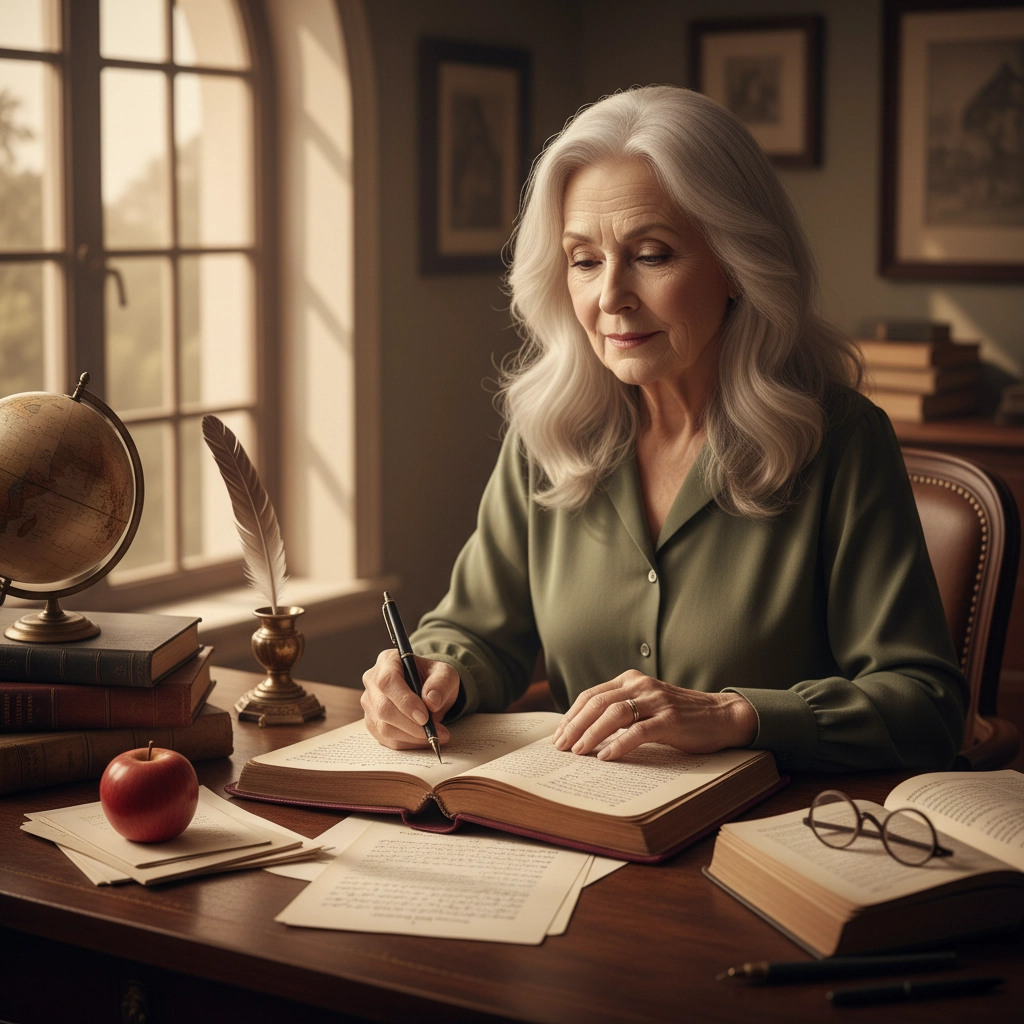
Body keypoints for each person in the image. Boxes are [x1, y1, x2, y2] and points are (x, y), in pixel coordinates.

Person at [361, 85, 967, 773]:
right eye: (585, 260)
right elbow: (474, 631)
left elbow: (928, 705)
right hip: (579, 830)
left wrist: (736, 714)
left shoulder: (842, 442)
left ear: (738, 264)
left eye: (651, 255)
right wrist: (434, 675)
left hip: (771, 843)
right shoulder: (547, 435)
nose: (610, 296)